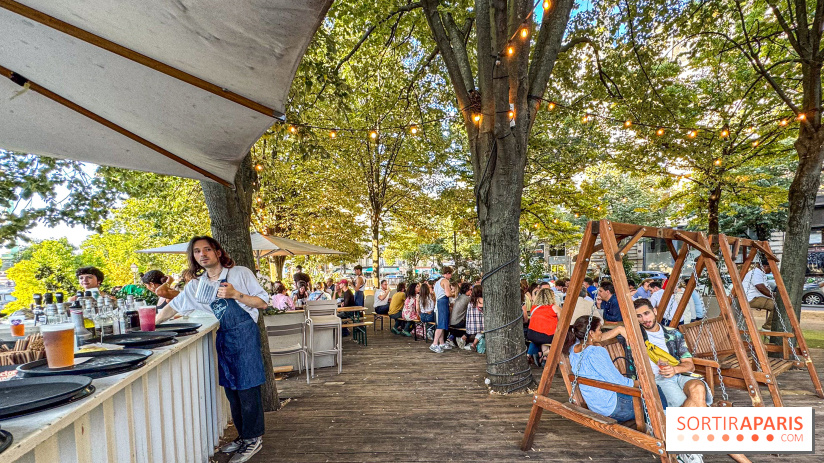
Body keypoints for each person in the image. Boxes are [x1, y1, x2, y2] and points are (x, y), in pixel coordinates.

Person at [155, 236, 268, 462]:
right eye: (197, 251)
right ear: (194, 257)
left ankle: (254, 438)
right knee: (231, 390)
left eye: (207, 249)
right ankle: (244, 435)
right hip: (224, 337)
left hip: (244, 334)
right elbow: (172, 308)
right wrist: (150, 325)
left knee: (247, 388)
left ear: (217, 252)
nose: (202, 254)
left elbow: (263, 302)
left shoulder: (239, 273)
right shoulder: (197, 285)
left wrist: (236, 294)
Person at [601, 298, 712, 409]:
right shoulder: (634, 335)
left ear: (654, 311)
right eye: (639, 316)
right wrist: (619, 329)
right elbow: (598, 339)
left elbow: (690, 365)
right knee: (686, 402)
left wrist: (674, 369)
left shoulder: (673, 333)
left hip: (680, 374)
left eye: (646, 313)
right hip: (658, 379)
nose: (644, 319)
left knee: (698, 388)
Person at [564, 315, 667, 421]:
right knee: (654, 389)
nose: (601, 333)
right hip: (612, 408)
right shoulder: (596, 352)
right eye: (600, 330)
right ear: (591, 333)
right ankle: (665, 424)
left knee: (648, 394)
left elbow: (595, 338)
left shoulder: (574, 349)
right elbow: (619, 382)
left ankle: (658, 422)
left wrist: (618, 329)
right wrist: (643, 382)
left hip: (596, 405)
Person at [527, 288, 561, 362]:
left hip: (532, 334)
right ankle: (545, 355)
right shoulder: (555, 308)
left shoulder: (534, 308)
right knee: (549, 336)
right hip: (547, 336)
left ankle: (534, 354)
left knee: (538, 338)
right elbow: (562, 322)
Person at [741, 261, 775, 330]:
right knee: (777, 305)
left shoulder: (760, 273)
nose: (772, 270)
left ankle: (769, 326)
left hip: (757, 297)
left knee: (778, 303)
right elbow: (761, 288)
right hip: (752, 298)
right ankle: (767, 327)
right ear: (765, 266)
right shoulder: (756, 273)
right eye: (771, 268)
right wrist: (774, 296)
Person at [432, 266, 454, 352]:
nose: (451, 276)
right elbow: (448, 294)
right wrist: (454, 293)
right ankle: (434, 343)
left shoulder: (438, 282)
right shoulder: (445, 281)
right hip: (443, 302)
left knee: (441, 323)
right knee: (441, 324)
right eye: (451, 274)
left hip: (438, 302)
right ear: (448, 273)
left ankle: (441, 343)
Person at [417, 281, 438, 352]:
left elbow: (419, 309)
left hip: (422, 316)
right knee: (436, 317)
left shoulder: (419, 297)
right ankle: (430, 330)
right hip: (429, 316)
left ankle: (429, 329)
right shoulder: (430, 296)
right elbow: (432, 307)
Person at [462, 285, 484, 351]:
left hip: (471, 326)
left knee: (480, 331)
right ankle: (474, 344)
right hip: (481, 325)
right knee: (483, 331)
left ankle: (464, 338)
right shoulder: (483, 300)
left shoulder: (470, 302)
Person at [450, 283, 472, 347]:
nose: (472, 291)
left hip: (452, 321)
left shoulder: (460, 297)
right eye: (471, 289)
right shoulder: (467, 298)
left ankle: (451, 337)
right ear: (466, 290)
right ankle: (464, 337)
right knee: (473, 324)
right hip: (458, 322)